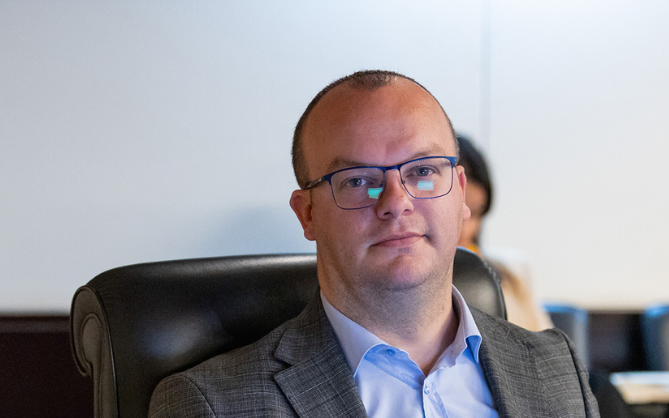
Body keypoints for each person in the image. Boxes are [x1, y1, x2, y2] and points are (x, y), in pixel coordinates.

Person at [148, 70, 599, 417]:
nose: (396, 203)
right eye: (358, 180)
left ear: (461, 194)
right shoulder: (214, 404)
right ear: (308, 214)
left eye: (423, 171)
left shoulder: (554, 368)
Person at [456, 135, 553, 332]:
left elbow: (544, 342)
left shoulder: (512, 276)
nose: (467, 228)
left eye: (476, 213)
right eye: (457, 211)